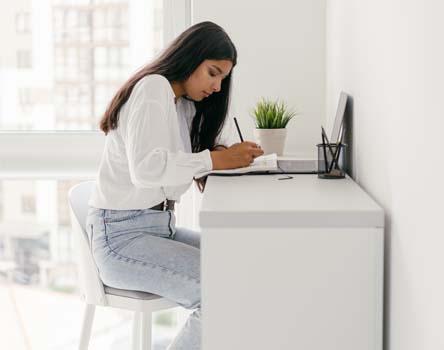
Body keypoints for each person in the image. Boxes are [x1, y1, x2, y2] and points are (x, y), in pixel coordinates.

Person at [85, 21, 263, 349]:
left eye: (223, 78)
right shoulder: (153, 88)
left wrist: (225, 158)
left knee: (241, 264)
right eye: (213, 73)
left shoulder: (181, 105)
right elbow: (147, 170)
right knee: (219, 293)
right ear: (191, 57)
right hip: (121, 240)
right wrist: (213, 160)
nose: (218, 86)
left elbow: (174, 167)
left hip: (155, 230)